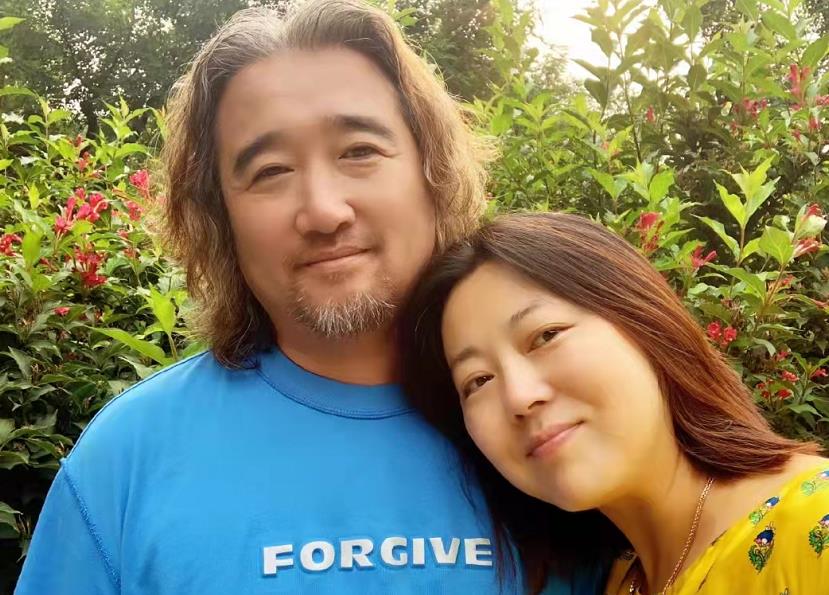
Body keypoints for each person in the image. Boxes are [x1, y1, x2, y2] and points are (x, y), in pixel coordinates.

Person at [14, 3, 600, 593]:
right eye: (270, 171)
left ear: (433, 170)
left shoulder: (557, 418)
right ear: (219, 214)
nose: (323, 210)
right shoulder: (125, 463)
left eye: (359, 151)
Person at [399, 211, 829, 595]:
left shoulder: (815, 524)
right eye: (477, 380)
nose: (519, 396)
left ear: (645, 322)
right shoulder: (623, 578)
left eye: (545, 336)